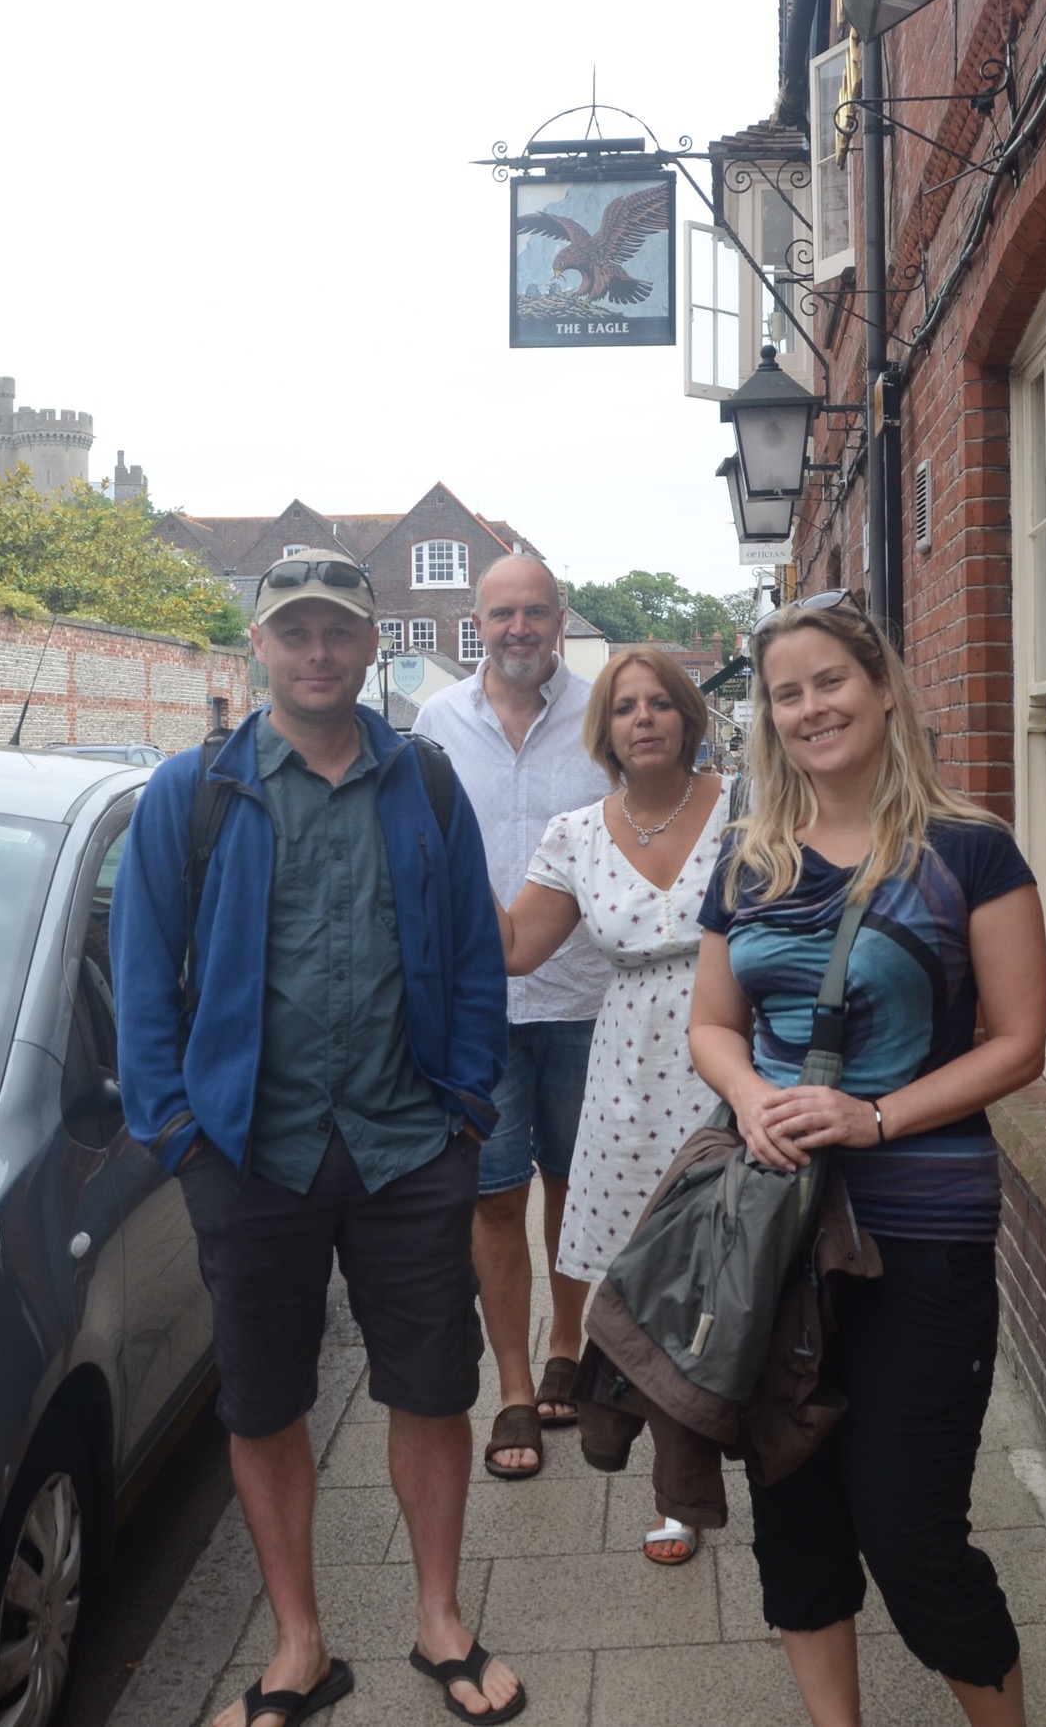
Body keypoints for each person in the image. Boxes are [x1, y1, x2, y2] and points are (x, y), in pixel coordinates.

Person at [113, 546, 527, 1727]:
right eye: (294, 631)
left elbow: (474, 956)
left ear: (372, 641)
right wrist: (181, 1135)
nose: (317, 652)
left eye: (338, 630)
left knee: (431, 1389)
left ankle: (439, 1617)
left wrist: (466, 1110)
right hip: (251, 1154)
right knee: (263, 1402)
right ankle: (299, 1643)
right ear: (258, 645)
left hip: (409, 1145)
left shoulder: (425, 784)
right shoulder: (191, 794)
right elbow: (142, 985)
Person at [688, 592, 1046, 1727]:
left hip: (920, 1235)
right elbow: (712, 1024)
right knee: (793, 1514)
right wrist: (752, 1097)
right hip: (776, 1232)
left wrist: (875, 1117)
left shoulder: (969, 850)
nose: (810, 708)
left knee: (912, 1532)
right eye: (786, 694)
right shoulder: (748, 860)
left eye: (830, 682)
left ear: (884, 689)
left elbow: (1019, 1043)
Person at [496, 649, 733, 1565]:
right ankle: (680, 1492)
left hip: (736, 1054)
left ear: (687, 717)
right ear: (605, 730)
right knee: (652, 1280)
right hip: (632, 1074)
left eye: (660, 702)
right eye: (626, 706)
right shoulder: (576, 834)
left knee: (744, 1263)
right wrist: (440, 857)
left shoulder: (747, 808)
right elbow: (516, 946)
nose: (644, 718)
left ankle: (775, 1443)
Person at [414, 553, 610, 1478]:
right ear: (477, 623)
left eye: (535, 611)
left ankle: (568, 1338)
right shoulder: (436, 724)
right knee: (494, 1196)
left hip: (587, 994)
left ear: (559, 617)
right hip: (478, 1002)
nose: (519, 628)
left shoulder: (603, 715)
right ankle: (515, 1385)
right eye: (502, 614)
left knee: (574, 1181)